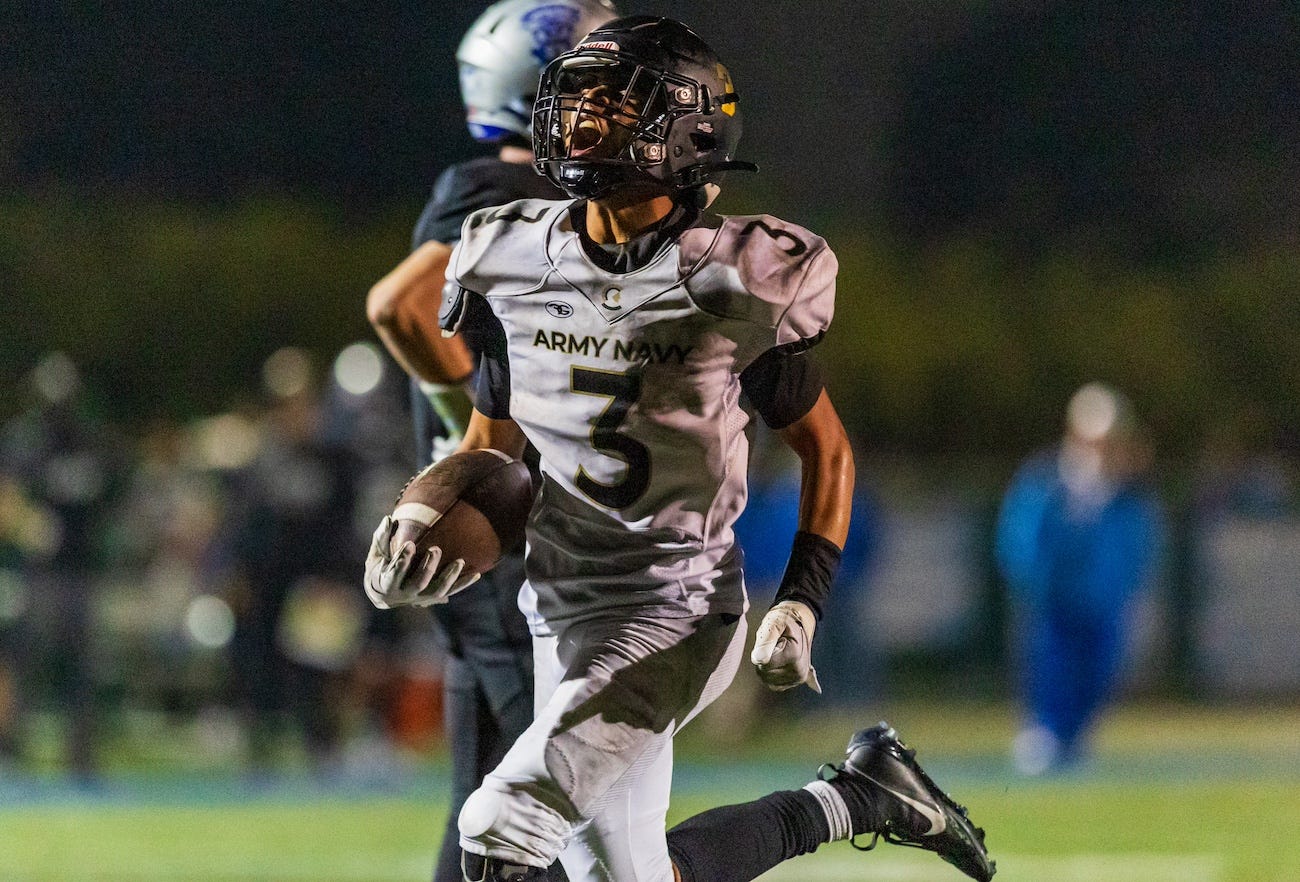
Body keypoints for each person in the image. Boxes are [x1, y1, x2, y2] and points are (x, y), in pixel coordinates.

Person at [366, 15, 995, 882]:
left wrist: (802, 600)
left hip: (674, 613)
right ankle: (863, 796)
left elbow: (828, 451)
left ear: (690, 127)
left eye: (610, 107)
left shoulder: (734, 278)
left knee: (500, 820)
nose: (580, 124)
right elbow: (492, 447)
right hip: (559, 610)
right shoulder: (507, 254)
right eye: (574, 103)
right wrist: (418, 517)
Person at [367, 2, 620, 880]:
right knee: (552, 799)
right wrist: (477, 429)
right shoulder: (498, 190)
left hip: (504, 546)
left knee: (485, 796)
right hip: (503, 545)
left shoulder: (555, 199)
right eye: (597, 69)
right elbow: (399, 304)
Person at [995, 382, 1163, 775]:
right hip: (1053, 602)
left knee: (1097, 672)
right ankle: (1046, 733)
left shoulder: (1127, 491)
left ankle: (1075, 737)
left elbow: (1136, 544)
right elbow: (1022, 537)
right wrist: (1035, 581)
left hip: (1102, 603)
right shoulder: (1046, 481)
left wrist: (1124, 589)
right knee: (1050, 667)